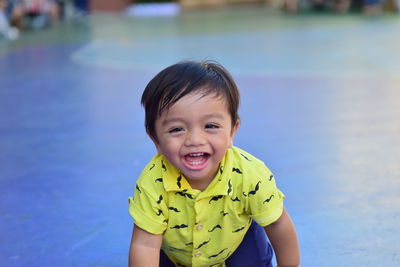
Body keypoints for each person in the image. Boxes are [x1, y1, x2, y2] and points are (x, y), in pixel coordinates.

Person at [128, 61, 300, 267]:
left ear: (232, 131)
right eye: (176, 129)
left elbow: (278, 224)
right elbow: (145, 245)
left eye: (210, 126)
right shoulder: (152, 183)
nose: (195, 140)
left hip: (236, 245)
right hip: (176, 254)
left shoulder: (250, 175)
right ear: (156, 140)